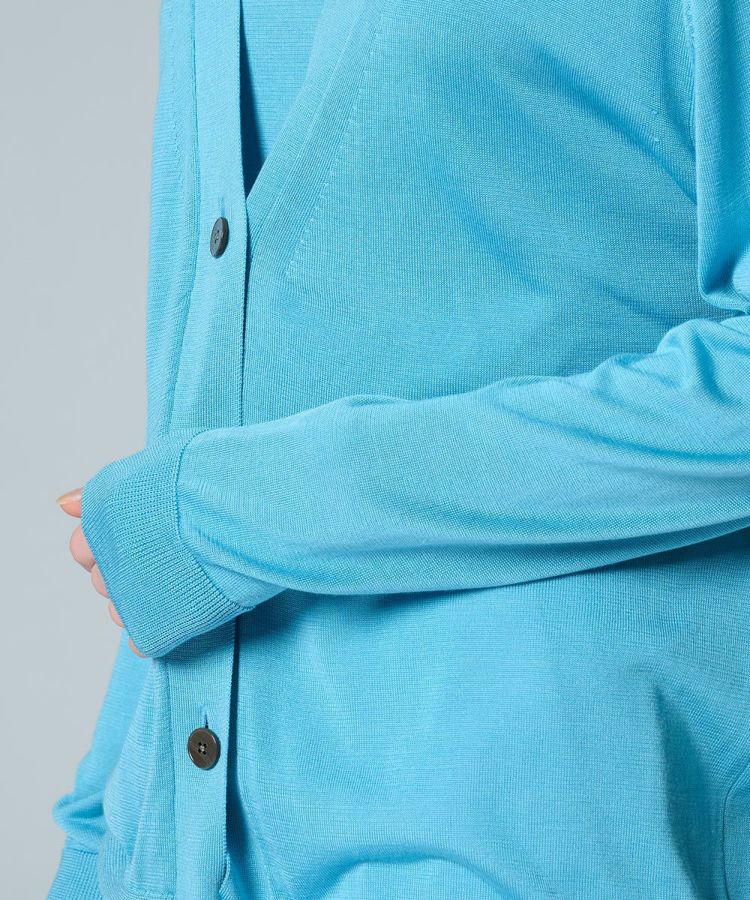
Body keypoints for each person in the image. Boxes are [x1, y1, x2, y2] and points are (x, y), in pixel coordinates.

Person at [48, 0, 750, 896]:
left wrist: (248, 507)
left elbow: (214, 503)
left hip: (534, 824)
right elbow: (212, 445)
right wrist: (98, 840)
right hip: (189, 847)